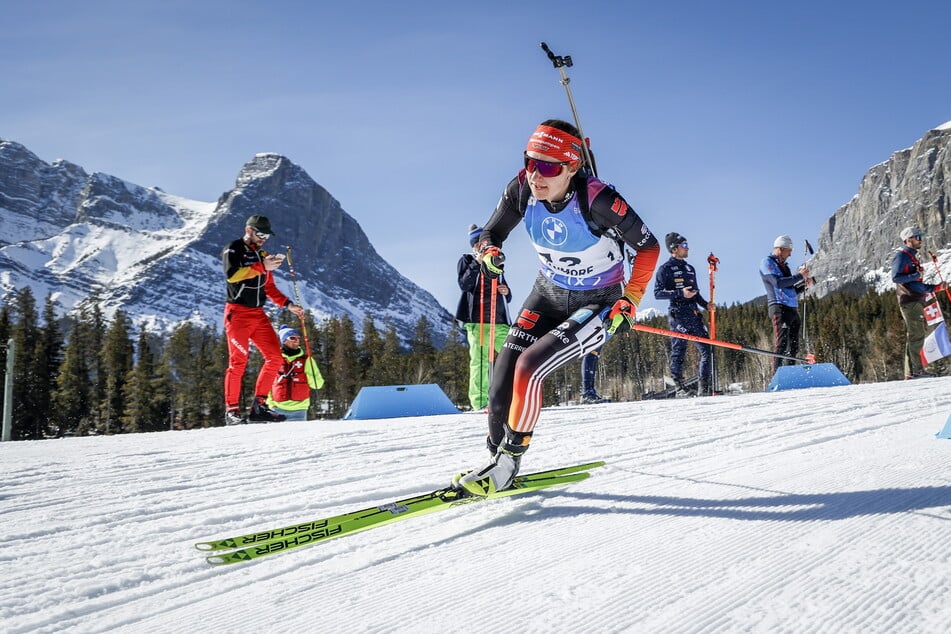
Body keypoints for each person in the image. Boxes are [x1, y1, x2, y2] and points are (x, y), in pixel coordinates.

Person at [454, 118, 659, 496]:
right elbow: (490, 232)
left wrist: (630, 299)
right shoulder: (521, 189)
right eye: (530, 162)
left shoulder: (598, 200)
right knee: (503, 371)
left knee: (530, 368)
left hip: (598, 301)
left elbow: (649, 247)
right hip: (547, 293)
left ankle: (510, 461)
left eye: (548, 167)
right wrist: (489, 251)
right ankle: (495, 459)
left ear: (572, 167)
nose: (536, 175)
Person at [222, 215, 304, 425]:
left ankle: (259, 407)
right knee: (238, 362)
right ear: (249, 230)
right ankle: (232, 411)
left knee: (275, 358)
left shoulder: (263, 254)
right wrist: (262, 266)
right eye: (261, 234)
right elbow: (232, 275)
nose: (264, 239)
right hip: (238, 314)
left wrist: (288, 305)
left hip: (258, 314)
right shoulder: (234, 248)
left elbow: (269, 288)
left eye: (267, 235)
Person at [455, 224, 512, 411]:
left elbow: (506, 292)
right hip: (476, 320)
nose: (481, 247)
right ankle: (479, 402)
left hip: (498, 320)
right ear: (473, 246)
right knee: (478, 362)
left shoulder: (497, 262)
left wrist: (506, 291)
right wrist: (477, 264)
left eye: (483, 243)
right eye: (477, 244)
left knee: (510, 356)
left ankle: (510, 398)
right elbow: (464, 285)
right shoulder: (467, 261)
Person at [653, 232, 713, 396]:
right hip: (678, 315)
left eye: (687, 245)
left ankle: (704, 388)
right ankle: (679, 386)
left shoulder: (689, 268)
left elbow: (696, 293)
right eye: (684, 245)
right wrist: (680, 293)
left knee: (707, 349)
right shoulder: (665, 269)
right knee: (679, 349)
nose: (687, 248)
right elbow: (657, 293)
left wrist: (706, 305)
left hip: (694, 314)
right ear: (674, 249)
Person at [891, 226, 943, 379]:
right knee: (916, 334)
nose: (921, 239)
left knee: (916, 334)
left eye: (921, 236)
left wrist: (937, 287)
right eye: (917, 237)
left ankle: (912, 372)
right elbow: (896, 278)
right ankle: (915, 372)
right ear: (908, 239)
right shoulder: (902, 256)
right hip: (909, 300)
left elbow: (917, 284)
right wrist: (915, 274)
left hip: (916, 299)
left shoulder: (913, 257)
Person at [760, 235, 810, 372]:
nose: (791, 253)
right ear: (780, 249)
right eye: (789, 250)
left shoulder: (785, 267)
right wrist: (800, 276)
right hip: (779, 307)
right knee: (781, 343)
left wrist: (804, 285)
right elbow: (778, 283)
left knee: (794, 345)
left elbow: (790, 290)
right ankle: (777, 374)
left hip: (792, 309)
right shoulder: (767, 262)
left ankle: (790, 373)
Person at [266, 325, 325, 420]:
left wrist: (308, 373)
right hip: (277, 409)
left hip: (300, 410)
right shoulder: (275, 359)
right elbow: (267, 383)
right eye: (292, 338)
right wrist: (270, 404)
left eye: (298, 338)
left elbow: (318, 385)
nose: (296, 340)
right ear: (284, 340)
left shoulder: (306, 360)